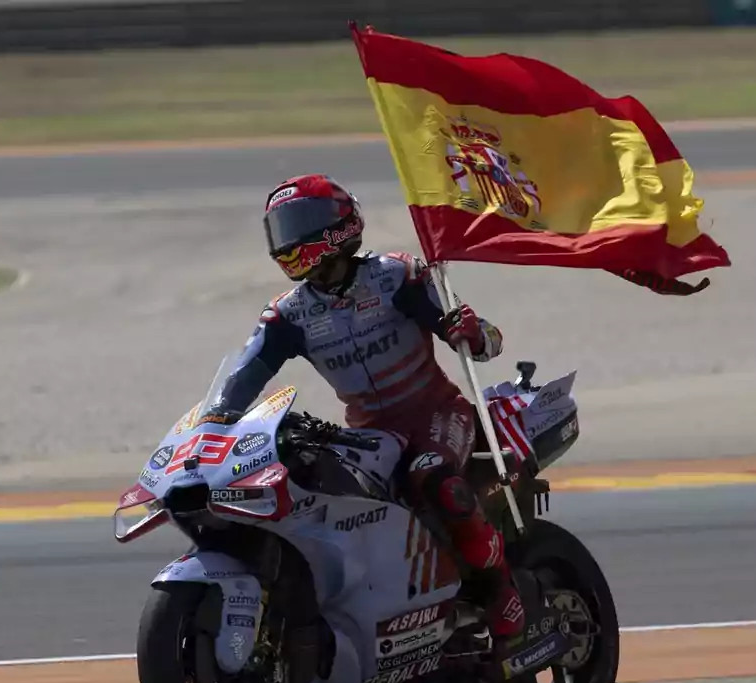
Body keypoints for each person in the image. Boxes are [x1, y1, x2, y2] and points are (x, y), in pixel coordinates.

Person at [210, 173, 525, 651]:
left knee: (434, 477)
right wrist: (214, 418)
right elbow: (246, 371)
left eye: (299, 223)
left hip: (438, 412)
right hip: (370, 434)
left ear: (337, 227)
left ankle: (502, 591)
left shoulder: (398, 274)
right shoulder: (288, 315)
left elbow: (488, 344)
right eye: (280, 229)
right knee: (322, 493)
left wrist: (474, 331)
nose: (288, 240)